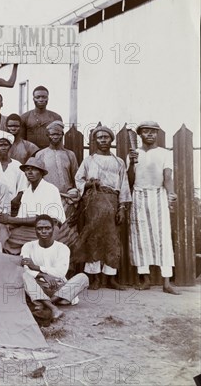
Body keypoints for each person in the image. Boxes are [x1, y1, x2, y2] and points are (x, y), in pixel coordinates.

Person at [73, 125, 131, 291]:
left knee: (112, 239)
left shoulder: (118, 162)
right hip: (94, 201)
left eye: (106, 137)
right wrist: (90, 183)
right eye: (100, 137)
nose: (103, 140)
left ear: (111, 140)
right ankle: (96, 278)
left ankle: (110, 278)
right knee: (94, 238)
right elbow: (78, 180)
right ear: (95, 140)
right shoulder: (89, 160)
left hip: (112, 201)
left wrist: (121, 208)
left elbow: (124, 185)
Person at [128, 121, 180, 295]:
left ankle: (167, 282)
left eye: (153, 132)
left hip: (158, 195)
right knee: (139, 236)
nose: (150, 134)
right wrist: (131, 163)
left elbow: (167, 176)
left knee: (163, 237)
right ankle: (145, 279)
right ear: (140, 135)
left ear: (157, 134)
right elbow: (129, 180)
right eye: (146, 132)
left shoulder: (164, 153)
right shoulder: (135, 154)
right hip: (138, 195)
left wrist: (170, 194)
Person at [21, 215, 89, 320]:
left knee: (83, 277)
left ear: (53, 229)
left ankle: (46, 302)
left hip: (58, 287)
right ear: (35, 230)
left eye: (47, 228)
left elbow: (60, 273)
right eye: (39, 228)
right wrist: (42, 275)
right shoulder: (28, 246)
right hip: (38, 286)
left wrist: (37, 267)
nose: (43, 231)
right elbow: (24, 269)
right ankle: (53, 307)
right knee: (23, 275)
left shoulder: (62, 248)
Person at [0, 157, 65, 255]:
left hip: (49, 227)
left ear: (41, 173)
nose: (29, 172)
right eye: (27, 169)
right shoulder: (27, 192)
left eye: (34, 169)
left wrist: (9, 219)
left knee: (9, 238)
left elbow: (42, 219)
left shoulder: (50, 189)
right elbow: (21, 218)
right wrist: (2, 221)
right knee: (2, 234)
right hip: (31, 227)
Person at [34, 121, 79, 248]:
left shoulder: (70, 155)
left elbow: (76, 178)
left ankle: (68, 266)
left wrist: (75, 198)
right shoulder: (41, 155)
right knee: (51, 231)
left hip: (67, 200)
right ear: (47, 135)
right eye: (52, 134)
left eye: (58, 134)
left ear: (62, 135)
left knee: (69, 233)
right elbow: (36, 179)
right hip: (48, 199)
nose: (55, 137)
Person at [0, 131, 28, 200]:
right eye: (0, 145)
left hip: (12, 203)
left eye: (6, 145)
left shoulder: (17, 165)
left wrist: (15, 201)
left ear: (10, 146)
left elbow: (22, 187)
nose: (3, 148)